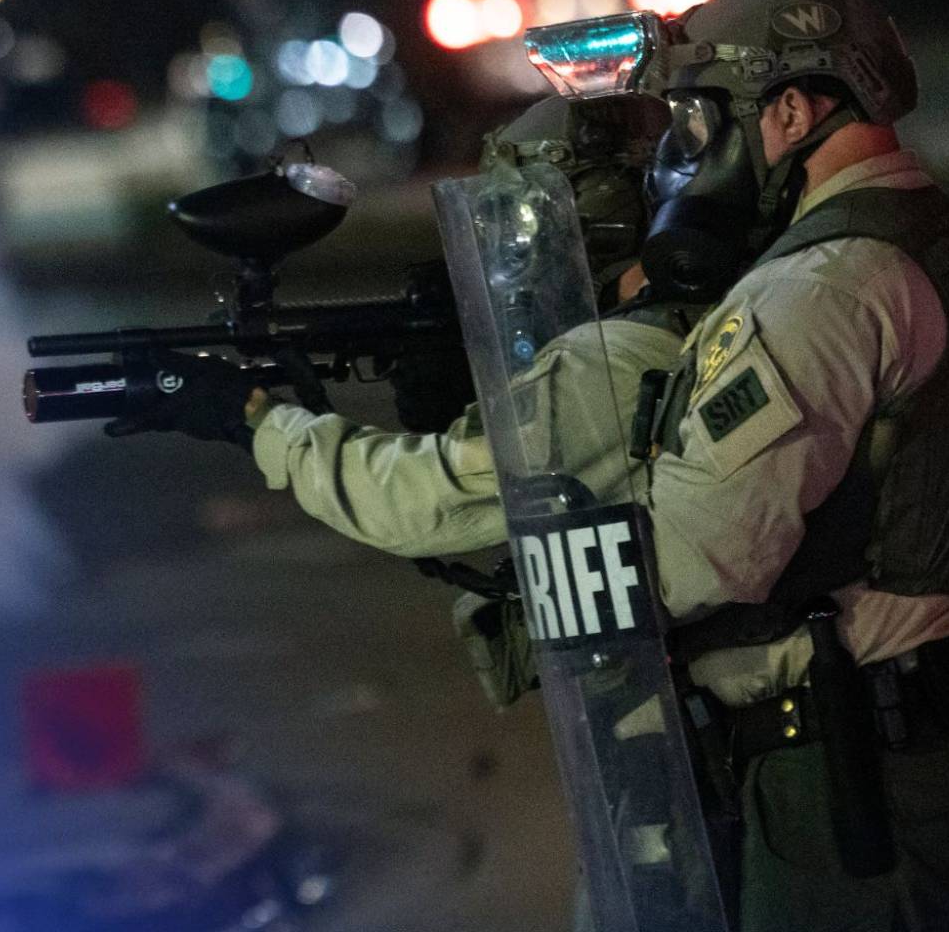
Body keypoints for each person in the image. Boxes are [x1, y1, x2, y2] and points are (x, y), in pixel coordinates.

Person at [608, 0, 949, 931]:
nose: (689, 151)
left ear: (792, 110)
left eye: (704, 117)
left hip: (858, 787)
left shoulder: (820, 288)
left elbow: (698, 556)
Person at [107, 92, 702, 708]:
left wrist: (252, 417)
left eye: (518, 226)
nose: (507, 255)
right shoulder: (676, 321)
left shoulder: (614, 362)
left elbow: (415, 501)